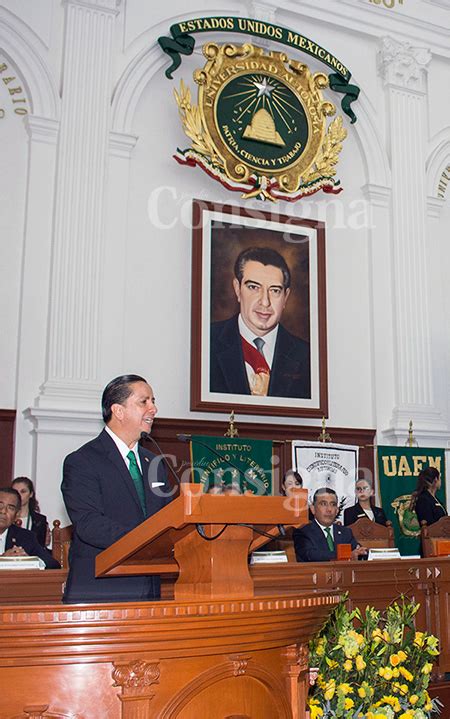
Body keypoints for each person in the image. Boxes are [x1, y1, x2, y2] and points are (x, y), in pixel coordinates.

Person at [61, 374, 173, 603]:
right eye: (144, 402)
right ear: (118, 411)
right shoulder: (83, 461)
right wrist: (147, 542)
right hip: (100, 590)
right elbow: (90, 524)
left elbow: (168, 517)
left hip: (148, 589)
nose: (154, 408)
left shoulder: (155, 463)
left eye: (153, 401)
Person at [210, 247, 311, 398]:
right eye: (253, 287)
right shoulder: (206, 342)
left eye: (275, 290)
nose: (265, 302)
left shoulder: (307, 356)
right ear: (237, 289)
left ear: (286, 297)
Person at [293, 487, 368, 562]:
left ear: (337, 510)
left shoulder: (346, 532)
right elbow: (311, 555)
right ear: (313, 509)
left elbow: (357, 550)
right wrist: (346, 555)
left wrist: (361, 552)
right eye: (323, 504)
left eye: (333, 504)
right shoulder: (303, 532)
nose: (329, 509)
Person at [0, 487, 59, 568]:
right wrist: (3, 560)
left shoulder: (25, 537)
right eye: (0, 505)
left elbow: (53, 565)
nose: (3, 511)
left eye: (10, 508)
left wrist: (29, 561)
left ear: (16, 515)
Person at [11, 476, 49, 547]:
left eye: (23, 492)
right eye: (15, 492)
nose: (19, 495)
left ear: (31, 494)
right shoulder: (5, 517)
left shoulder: (40, 520)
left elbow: (40, 546)